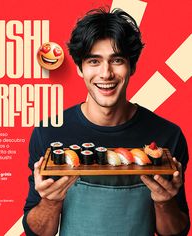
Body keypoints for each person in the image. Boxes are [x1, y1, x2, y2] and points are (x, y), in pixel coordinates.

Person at [22, 8, 190, 236]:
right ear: (80, 68)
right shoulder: (49, 133)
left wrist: (164, 202)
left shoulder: (167, 135)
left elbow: (176, 232)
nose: (106, 73)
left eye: (117, 60)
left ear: (132, 67)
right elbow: (38, 233)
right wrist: (50, 202)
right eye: (94, 61)